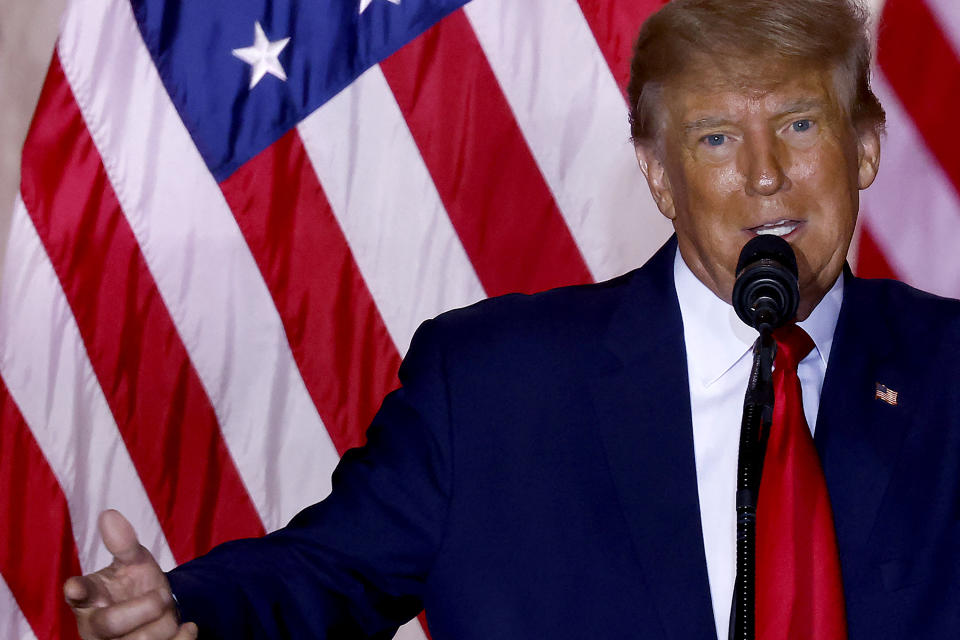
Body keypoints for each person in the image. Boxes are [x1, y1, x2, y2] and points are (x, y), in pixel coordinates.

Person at [64, 0, 960, 638]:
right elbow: (323, 575)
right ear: (658, 175)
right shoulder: (491, 385)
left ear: (867, 147)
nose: (765, 174)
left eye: (801, 124)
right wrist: (184, 604)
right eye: (716, 137)